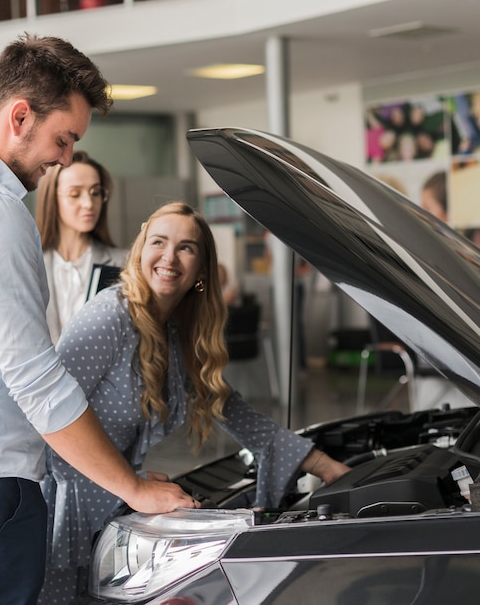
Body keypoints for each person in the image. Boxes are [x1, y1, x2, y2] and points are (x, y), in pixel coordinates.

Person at [0, 34, 197, 605]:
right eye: (64, 138)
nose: (66, 159)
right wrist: (130, 487)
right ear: (20, 115)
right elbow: (35, 379)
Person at [39, 201, 351, 602]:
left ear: (202, 270)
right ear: (140, 250)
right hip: (62, 515)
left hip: (110, 504)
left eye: (186, 247)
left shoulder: (175, 331)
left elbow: (229, 407)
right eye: (159, 242)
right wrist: (127, 483)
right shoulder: (109, 316)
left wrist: (322, 465)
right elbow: (46, 417)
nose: (169, 257)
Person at [36, 152, 128, 343]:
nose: (88, 204)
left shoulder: (124, 264)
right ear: (52, 198)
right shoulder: (31, 265)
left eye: (95, 193)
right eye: (75, 194)